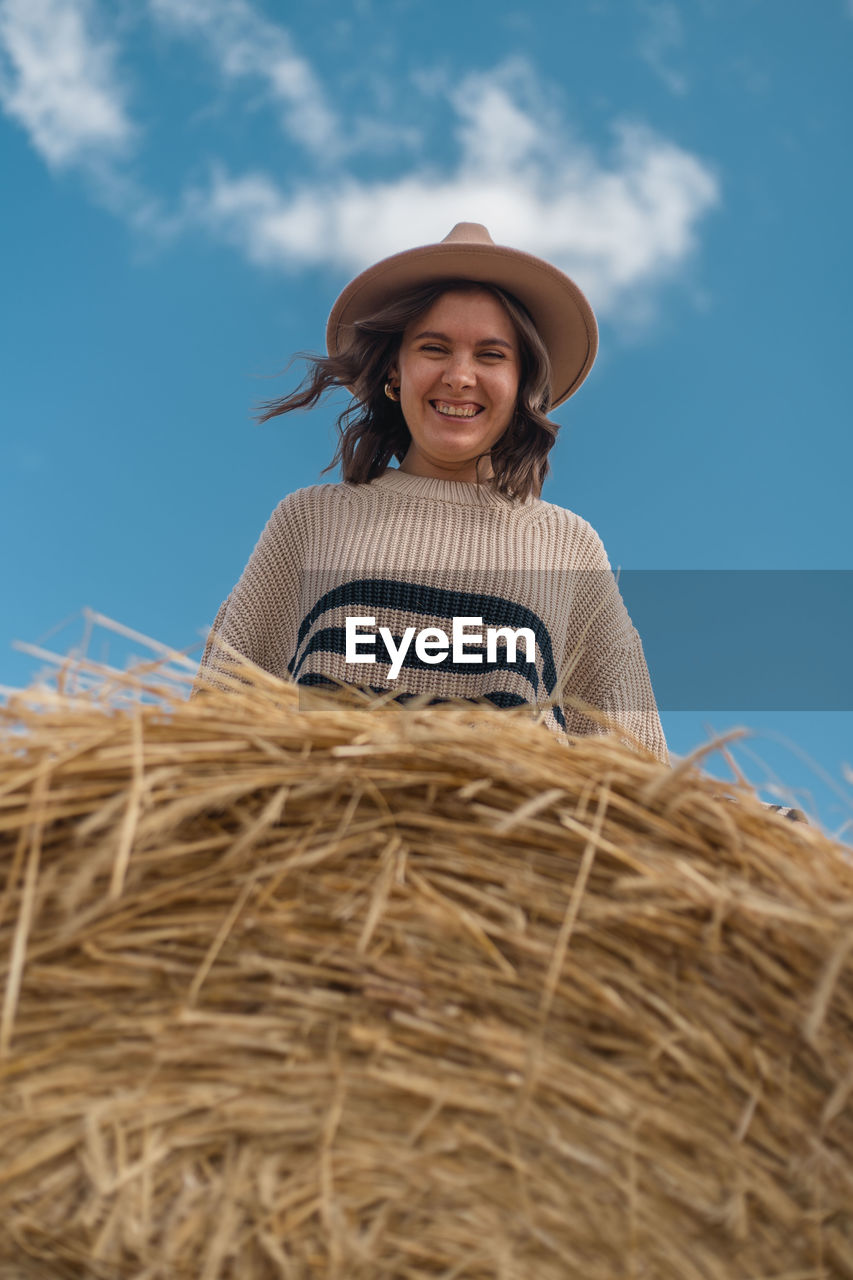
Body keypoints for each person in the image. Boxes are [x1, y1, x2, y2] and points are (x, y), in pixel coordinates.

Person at [193, 222, 668, 764]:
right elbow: (216, 721)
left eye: (491, 356)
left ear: (520, 385)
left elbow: (637, 763)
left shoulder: (568, 547)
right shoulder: (310, 521)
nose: (460, 376)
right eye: (434, 347)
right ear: (396, 371)